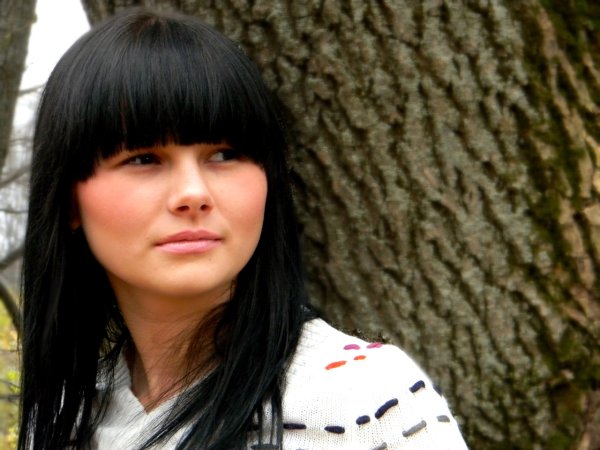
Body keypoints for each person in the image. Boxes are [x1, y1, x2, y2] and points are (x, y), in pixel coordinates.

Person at [18, 8, 468, 450]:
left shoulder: (362, 401)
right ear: (69, 200)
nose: (193, 193)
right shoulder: (67, 416)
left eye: (224, 155)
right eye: (143, 159)